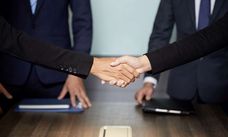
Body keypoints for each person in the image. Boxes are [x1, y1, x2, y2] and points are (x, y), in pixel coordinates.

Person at [112, 8, 228, 118]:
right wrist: (143, 64)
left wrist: (143, 62)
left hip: (223, 89)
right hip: (182, 86)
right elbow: (203, 40)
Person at [0, 16, 139, 114]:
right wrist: (92, 65)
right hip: (11, 79)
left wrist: (86, 67)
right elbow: (13, 41)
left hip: (55, 80)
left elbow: (15, 41)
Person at [0, 0, 93, 109]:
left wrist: (76, 72)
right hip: (9, 76)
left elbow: (83, 23)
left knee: (62, 125)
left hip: (58, 76)